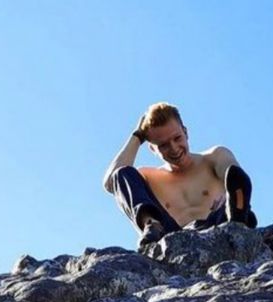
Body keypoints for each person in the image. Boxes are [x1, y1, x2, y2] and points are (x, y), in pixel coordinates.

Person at [102, 102, 257, 246]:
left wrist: (230, 194)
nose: (174, 148)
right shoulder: (148, 177)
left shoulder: (213, 157)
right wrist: (137, 137)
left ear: (186, 132)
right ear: (152, 149)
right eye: (163, 145)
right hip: (170, 238)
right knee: (122, 173)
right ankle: (151, 224)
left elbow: (234, 174)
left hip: (218, 225)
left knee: (232, 184)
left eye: (177, 138)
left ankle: (238, 215)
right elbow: (111, 182)